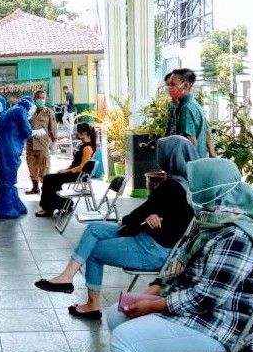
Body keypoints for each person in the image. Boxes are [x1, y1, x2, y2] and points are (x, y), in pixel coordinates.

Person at [106, 157, 253, 352]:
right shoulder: (209, 221)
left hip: (220, 326)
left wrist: (155, 305)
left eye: (194, 185)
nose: (189, 190)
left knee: (123, 340)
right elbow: (179, 262)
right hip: (195, 312)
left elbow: (206, 298)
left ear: (210, 190)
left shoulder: (237, 236)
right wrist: (153, 291)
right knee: (117, 314)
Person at [35, 135, 199, 319]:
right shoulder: (192, 186)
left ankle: (92, 305)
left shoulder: (169, 187)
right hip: (157, 243)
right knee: (94, 229)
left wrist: (145, 216)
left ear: (168, 157)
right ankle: (67, 277)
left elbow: (131, 218)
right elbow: (153, 218)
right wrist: (148, 216)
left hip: (152, 249)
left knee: (94, 251)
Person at [35, 123, 96, 217]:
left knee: (48, 179)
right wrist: (65, 169)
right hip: (75, 173)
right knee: (53, 181)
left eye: (79, 131)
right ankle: (65, 203)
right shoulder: (83, 146)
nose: (77, 133)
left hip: (78, 175)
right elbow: (74, 164)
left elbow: (82, 166)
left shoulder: (87, 148)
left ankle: (48, 208)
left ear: (85, 132)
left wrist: (66, 171)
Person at [0, 96, 34, 219]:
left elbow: (0, 128)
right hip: (11, 148)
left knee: (8, 178)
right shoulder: (21, 110)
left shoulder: (10, 111)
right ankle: (5, 209)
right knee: (8, 180)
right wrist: (38, 132)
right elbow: (27, 131)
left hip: (4, 147)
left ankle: (15, 204)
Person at [164, 70, 216, 158]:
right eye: (168, 85)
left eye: (173, 85)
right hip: (198, 161)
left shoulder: (186, 108)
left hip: (189, 165)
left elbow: (190, 143)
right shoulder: (193, 104)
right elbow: (207, 130)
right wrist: (212, 155)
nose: (170, 88)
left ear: (185, 86)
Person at [25, 90, 58, 194]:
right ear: (34, 99)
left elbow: (53, 128)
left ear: (46, 99)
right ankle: (35, 188)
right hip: (30, 144)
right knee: (31, 167)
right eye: (39, 98)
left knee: (44, 168)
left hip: (43, 145)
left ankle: (46, 190)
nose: (41, 100)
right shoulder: (29, 112)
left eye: (43, 98)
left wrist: (54, 143)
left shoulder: (49, 112)